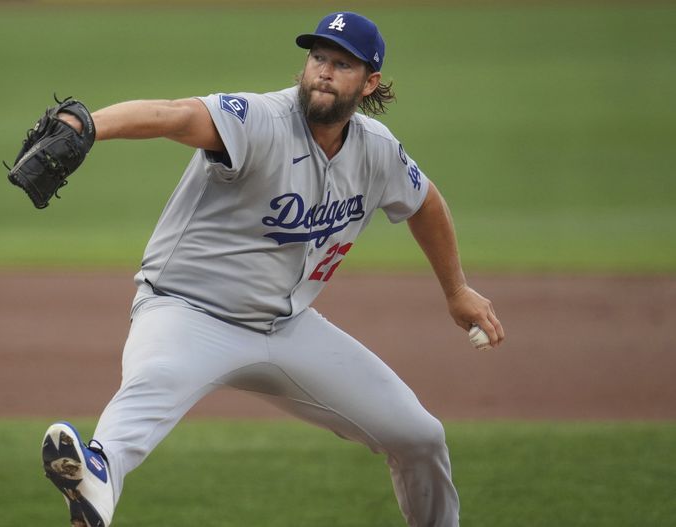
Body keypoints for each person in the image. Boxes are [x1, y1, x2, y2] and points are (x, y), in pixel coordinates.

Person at [40, 11, 504, 527]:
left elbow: (426, 203)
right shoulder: (258, 118)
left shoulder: (377, 151)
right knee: (154, 382)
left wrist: (456, 288)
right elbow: (172, 114)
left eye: (342, 64)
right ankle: (96, 479)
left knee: (420, 437)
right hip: (187, 312)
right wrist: (88, 125)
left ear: (370, 82)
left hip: (285, 328)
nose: (324, 71)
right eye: (318, 58)